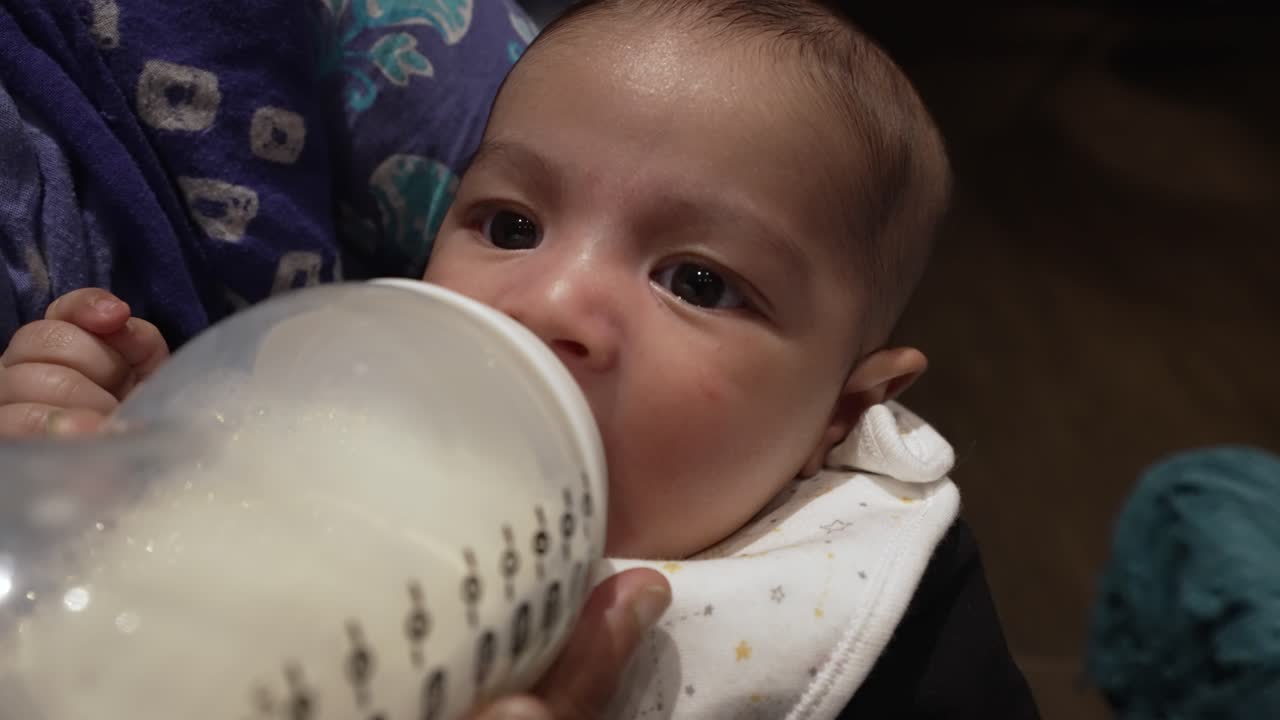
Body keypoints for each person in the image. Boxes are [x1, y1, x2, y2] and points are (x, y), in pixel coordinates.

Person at [0, 0, 1040, 716]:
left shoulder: (875, 606)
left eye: (696, 282)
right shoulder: (347, 448)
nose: (552, 302)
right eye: (507, 226)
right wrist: (158, 455)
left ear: (840, 412)